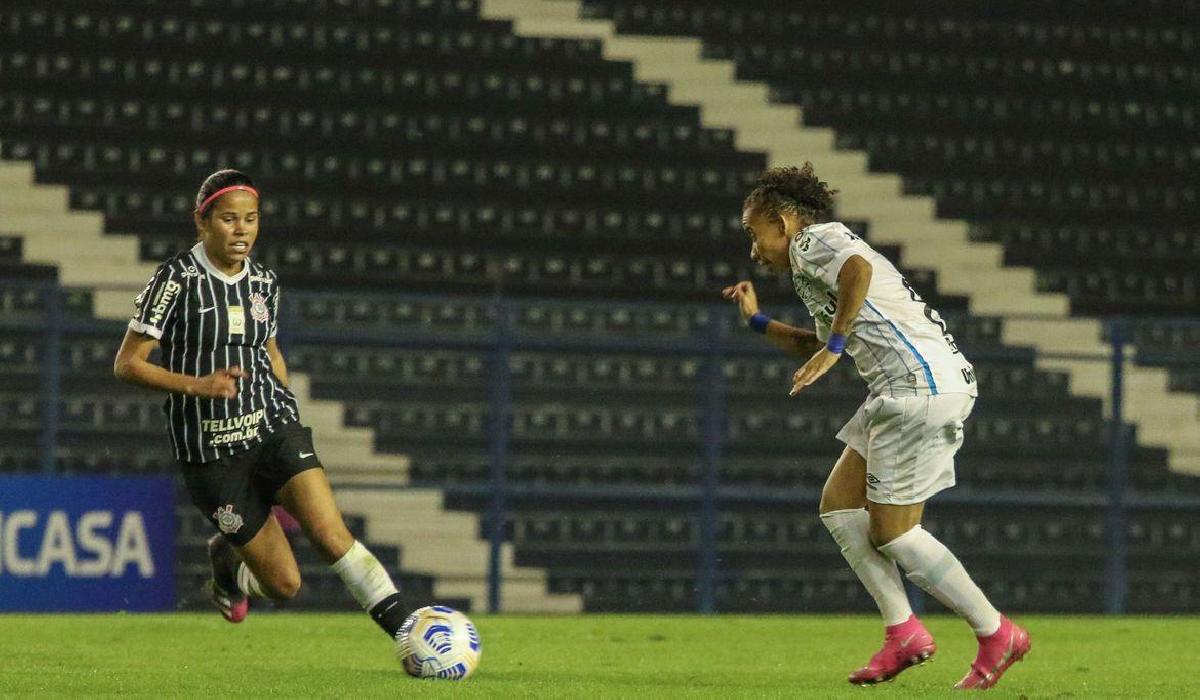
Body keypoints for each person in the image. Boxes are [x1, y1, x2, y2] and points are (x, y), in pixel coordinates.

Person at [723, 163, 1030, 689]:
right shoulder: (809, 267)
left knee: (894, 533)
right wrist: (758, 322)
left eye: (755, 233)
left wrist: (838, 347)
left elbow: (857, 272)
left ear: (783, 220)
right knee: (840, 506)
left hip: (917, 388)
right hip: (905, 388)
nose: (754, 249)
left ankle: (995, 632)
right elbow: (817, 341)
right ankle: (904, 631)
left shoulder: (815, 240)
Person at [113, 169, 409, 639]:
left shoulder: (265, 282)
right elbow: (127, 364)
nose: (242, 230)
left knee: (331, 533)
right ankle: (226, 561)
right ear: (202, 222)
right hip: (212, 455)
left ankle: (408, 631)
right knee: (285, 585)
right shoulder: (175, 280)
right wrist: (197, 385)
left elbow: (268, 351)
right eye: (229, 220)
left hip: (272, 429)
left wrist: (286, 406)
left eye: (250, 219)